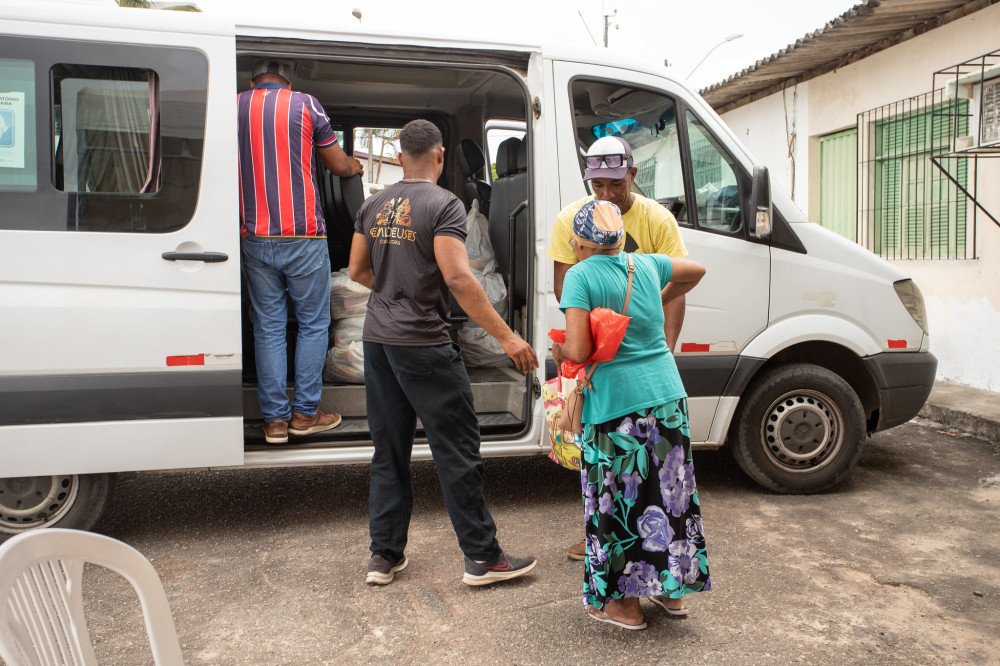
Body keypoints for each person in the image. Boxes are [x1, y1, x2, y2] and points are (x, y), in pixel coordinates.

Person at [349, 119, 539, 587]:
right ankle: (483, 557)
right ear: (440, 154)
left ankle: (384, 557)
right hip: (424, 343)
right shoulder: (444, 203)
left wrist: (397, 293)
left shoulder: (373, 203)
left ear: (398, 158)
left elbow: (357, 270)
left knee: (388, 451)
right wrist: (508, 338)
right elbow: (457, 279)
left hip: (378, 341)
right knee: (456, 449)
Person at [552, 199, 710, 630]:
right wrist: (659, 299)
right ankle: (672, 592)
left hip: (616, 407)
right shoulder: (645, 265)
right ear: (619, 237)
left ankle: (623, 605)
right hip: (667, 397)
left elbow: (580, 350)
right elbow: (696, 270)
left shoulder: (579, 276)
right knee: (669, 495)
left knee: (618, 501)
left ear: (580, 242)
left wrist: (558, 349)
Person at [548, 135, 690, 561]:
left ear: (633, 174)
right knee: (670, 484)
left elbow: (676, 293)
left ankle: (620, 588)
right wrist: (637, 304)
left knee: (614, 481)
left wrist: (656, 336)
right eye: (598, 186)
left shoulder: (658, 220)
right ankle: (672, 586)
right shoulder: (573, 220)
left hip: (616, 385)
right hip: (657, 387)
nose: (607, 194)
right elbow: (691, 274)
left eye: (615, 184)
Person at [238, 59, 364, 444]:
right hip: (304, 235)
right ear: (287, 80)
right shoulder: (306, 104)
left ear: (253, 80)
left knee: (269, 326)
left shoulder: (233, 106)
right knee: (313, 324)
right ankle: (305, 414)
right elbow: (338, 164)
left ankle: (275, 421)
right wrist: (353, 165)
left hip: (255, 236)